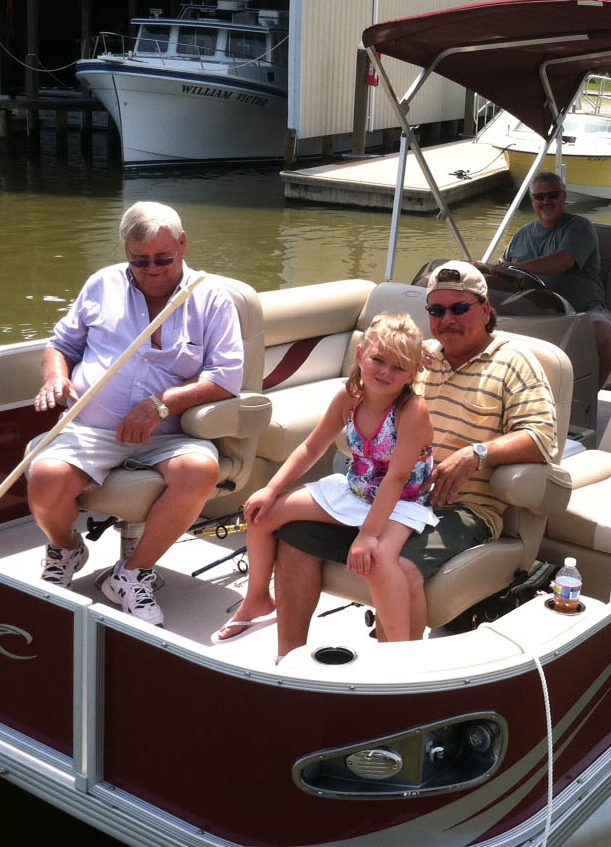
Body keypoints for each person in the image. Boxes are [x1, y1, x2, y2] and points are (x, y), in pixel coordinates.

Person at [271, 260, 557, 656]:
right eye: (437, 310)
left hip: (465, 507)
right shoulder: (416, 358)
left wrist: (474, 455)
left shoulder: (516, 361)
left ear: (486, 310)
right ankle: (289, 661)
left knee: (399, 566)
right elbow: (365, 399)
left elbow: (542, 439)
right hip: (394, 495)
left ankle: (397, 678)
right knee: (294, 537)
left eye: (460, 308)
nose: (447, 319)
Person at [28, 201, 244, 627]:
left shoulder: (211, 298)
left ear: (183, 245)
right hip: (91, 426)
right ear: (126, 252)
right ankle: (66, 547)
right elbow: (61, 346)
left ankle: (131, 574)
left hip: (167, 432)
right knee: (44, 479)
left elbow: (226, 378)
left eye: (163, 258)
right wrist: (55, 378)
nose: (152, 269)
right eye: (139, 261)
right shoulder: (101, 284)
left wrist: (161, 404)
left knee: (199, 469)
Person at [212, 314, 436, 644]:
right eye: (378, 359)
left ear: (413, 374)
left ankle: (398, 652)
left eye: (399, 367)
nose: (386, 371)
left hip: (401, 502)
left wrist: (368, 536)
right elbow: (312, 447)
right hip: (356, 490)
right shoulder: (350, 397)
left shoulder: (412, 411)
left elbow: (397, 478)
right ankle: (257, 598)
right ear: (361, 354)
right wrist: (271, 489)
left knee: (377, 562)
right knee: (260, 514)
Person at [496, 171, 611, 384]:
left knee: (602, 335)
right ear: (532, 200)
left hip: (583, 309)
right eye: (539, 197)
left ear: (564, 196)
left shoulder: (580, 227)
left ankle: (591, 397)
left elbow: (564, 261)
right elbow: (503, 271)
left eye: (552, 195)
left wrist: (519, 267)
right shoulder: (521, 235)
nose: (546, 201)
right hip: (530, 309)